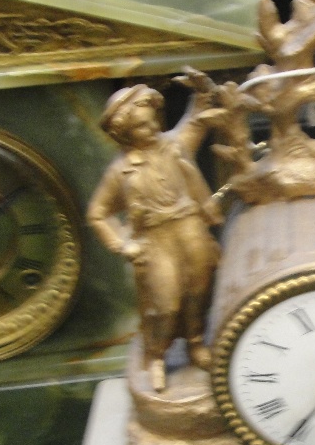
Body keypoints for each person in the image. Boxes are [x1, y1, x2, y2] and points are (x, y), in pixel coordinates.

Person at [88, 77, 224, 392]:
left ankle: (195, 343)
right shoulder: (119, 171)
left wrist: (203, 92)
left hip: (189, 228)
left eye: (152, 124)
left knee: (199, 291)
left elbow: (196, 120)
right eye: (140, 129)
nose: (150, 131)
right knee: (166, 304)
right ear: (124, 133)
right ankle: (157, 356)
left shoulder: (175, 145)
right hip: (155, 240)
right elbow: (98, 213)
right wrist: (123, 243)